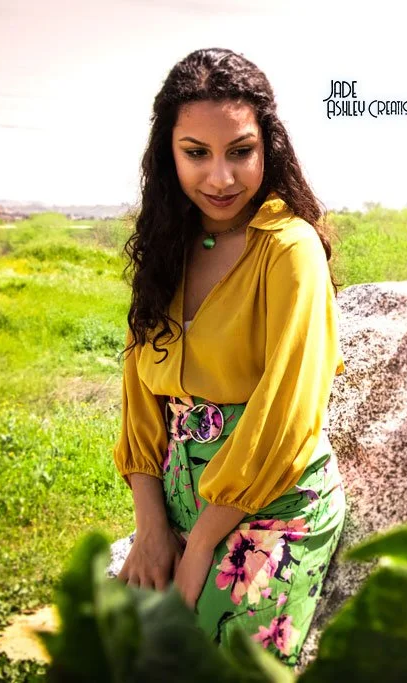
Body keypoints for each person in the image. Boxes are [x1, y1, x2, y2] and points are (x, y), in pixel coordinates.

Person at [112, 47, 346, 667]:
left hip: (272, 505)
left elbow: (288, 412)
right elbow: (140, 391)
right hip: (176, 501)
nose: (221, 178)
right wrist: (152, 527)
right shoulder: (170, 244)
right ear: (169, 152)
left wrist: (197, 553)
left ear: (267, 146)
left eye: (239, 151)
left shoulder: (287, 248)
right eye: (197, 153)